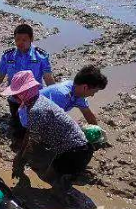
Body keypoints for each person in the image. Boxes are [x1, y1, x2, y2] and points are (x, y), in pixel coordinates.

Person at [6, 71, 93, 200]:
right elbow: (30, 133)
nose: (15, 97)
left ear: (24, 93)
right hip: (72, 148)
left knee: (54, 188)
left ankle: (70, 182)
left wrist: (20, 162)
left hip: (76, 151)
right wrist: (19, 157)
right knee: (44, 169)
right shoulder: (37, 101)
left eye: (17, 94)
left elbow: (33, 143)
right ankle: (67, 179)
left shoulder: (37, 109)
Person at [0, 24, 55, 129]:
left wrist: (54, 99)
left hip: (34, 99)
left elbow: (48, 79)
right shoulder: (8, 56)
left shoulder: (41, 56)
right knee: (17, 127)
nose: (20, 43)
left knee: (35, 128)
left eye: (24, 40)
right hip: (15, 99)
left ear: (31, 39)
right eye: (17, 39)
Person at [40, 65, 107, 125]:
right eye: (94, 92)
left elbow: (88, 115)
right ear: (85, 87)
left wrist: (97, 131)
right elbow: (52, 122)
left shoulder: (78, 92)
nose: (92, 95)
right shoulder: (62, 95)